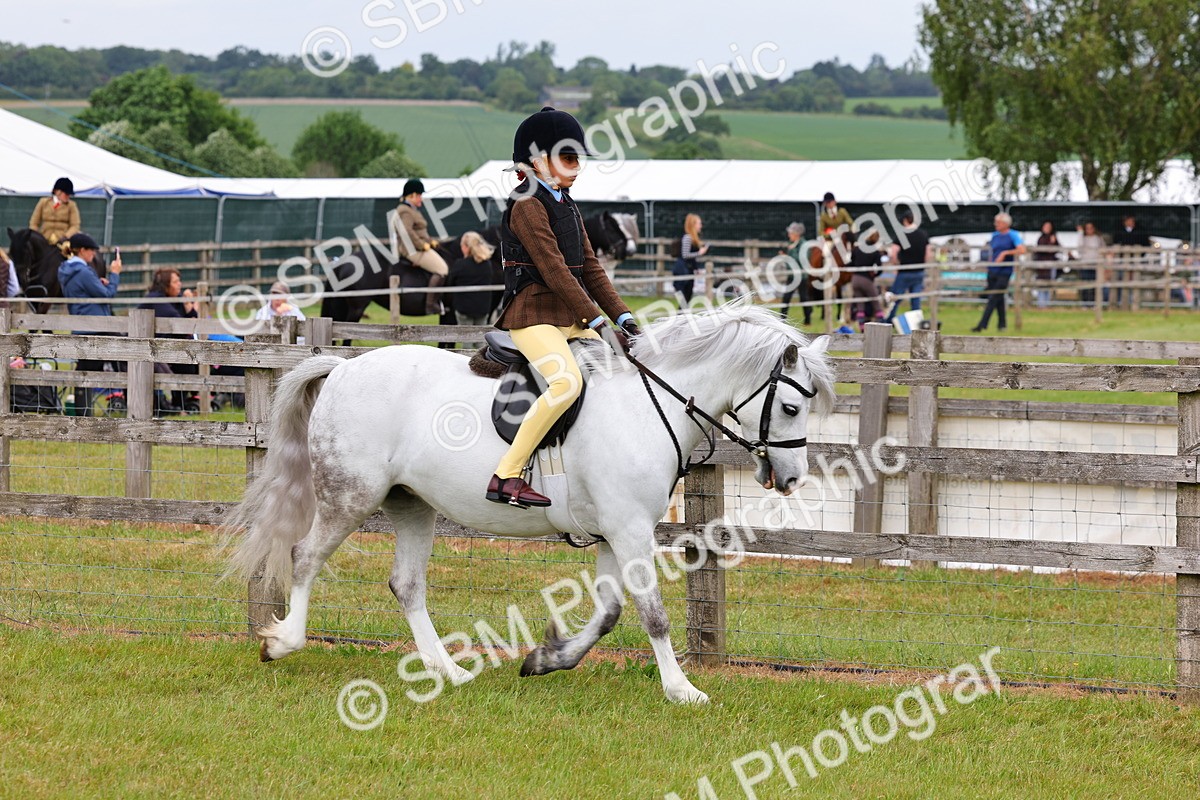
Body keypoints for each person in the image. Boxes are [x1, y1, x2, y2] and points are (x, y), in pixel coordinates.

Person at [488, 106, 638, 508]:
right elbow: (555, 271)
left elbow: (590, 267)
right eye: (568, 158)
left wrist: (625, 318)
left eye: (577, 159)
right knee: (567, 382)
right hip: (532, 316)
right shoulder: (527, 206)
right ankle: (507, 474)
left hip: (568, 319)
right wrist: (595, 320)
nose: (577, 167)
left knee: (621, 370)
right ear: (537, 161)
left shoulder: (567, 204)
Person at [58, 232, 122, 416]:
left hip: (80, 324)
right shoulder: (84, 271)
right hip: (96, 326)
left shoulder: (65, 270)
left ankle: (83, 413)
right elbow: (107, 295)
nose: (94, 254)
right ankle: (132, 401)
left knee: (86, 369)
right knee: (127, 356)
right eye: (91, 250)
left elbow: (87, 292)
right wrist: (115, 275)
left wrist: (99, 284)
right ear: (82, 250)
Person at [139, 268, 199, 414]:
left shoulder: (172, 298)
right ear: (166, 284)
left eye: (179, 280)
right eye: (176, 281)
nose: (180, 284)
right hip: (146, 350)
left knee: (188, 357)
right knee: (185, 360)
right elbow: (183, 324)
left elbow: (192, 319)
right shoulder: (156, 299)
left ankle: (182, 403)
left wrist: (187, 304)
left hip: (163, 347)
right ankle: (178, 406)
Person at [390, 178, 448, 315]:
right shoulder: (405, 211)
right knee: (442, 269)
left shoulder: (412, 209)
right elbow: (407, 232)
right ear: (413, 195)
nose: (421, 198)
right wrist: (423, 245)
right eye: (420, 195)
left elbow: (420, 231)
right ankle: (431, 304)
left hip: (418, 246)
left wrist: (430, 241)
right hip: (412, 250)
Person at [972, 213, 1025, 332]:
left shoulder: (1013, 235)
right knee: (998, 297)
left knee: (993, 297)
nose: (996, 224)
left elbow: (1022, 250)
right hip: (993, 270)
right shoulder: (995, 236)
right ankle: (1002, 325)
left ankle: (982, 325)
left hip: (1004, 271)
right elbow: (992, 251)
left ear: (1006, 224)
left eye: (998, 222)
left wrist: (1005, 253)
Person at [447, 232, 499, 346]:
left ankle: (467, 364)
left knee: (467, 342)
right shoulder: (487, 265)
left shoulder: (460, 264)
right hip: (483, 308)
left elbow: (450, 282)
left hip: (464, 309)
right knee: (481, 342)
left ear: (466, 248)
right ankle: (482, 363)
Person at [885, 209, 931, 322]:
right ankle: (917, 324)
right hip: (919, 271)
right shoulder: (923, 234)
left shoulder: (901, 235)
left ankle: (888, 321)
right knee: (916, 300)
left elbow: (893, 253)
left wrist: (896, 264)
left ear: (905, 221)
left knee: (895, 298)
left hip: (904, 271)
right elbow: (928, 254)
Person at [1111, 215, 1151, 308]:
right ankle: (1121, 301)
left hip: (1136, 260)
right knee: (1120, 280)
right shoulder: (1119, 231)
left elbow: (1145, 245)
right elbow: (1115, 243)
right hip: (1122, 260)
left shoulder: (1140, 232)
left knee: (1134, 280)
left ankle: (1134, 302)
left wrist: (1140, 255)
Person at [29, 177, 82, 246]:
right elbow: (34, 222)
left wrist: (66, 236)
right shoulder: (43, 202)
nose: (68, 196)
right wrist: (36, 236)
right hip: (44, 238)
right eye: (66, 194)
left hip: (63, 240)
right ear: (57, 191)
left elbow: (75, 225)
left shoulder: (71, 205)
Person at [778, 222, 813, 323]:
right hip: (792, 275)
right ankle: (782, 319)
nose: (789, 235)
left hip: (801, 276)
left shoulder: (804, 245)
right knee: (786, 297)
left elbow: (801, 260)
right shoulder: (791, 244)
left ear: (797, 234)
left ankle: (808, 320)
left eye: (791, 233)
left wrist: (789, 254)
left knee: (804, 298)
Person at [848, 232, 885, 325]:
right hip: (866, 280)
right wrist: (874, 275)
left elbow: (851, 263)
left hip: (855, 279)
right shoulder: (875, 251)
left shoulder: (856, 249)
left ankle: (861, 328)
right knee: (876, 302)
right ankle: (882, 324)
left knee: (860, 306)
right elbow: (880, 268)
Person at [672, 214, 709, 304]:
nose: (701, 226)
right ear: (693, 225)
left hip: (688, 270)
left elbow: (691, 259)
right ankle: (679, 317)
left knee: (687, 298)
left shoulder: (693, 238)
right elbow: (685, 255)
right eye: (699, 224)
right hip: (682, 271)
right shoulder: (687, 238)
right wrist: (700, 253)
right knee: (684, 300)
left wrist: (696, 268)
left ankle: (681, 317)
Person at [1075, 221, 1106, 304]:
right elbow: (1079, 247)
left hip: (1096, 264)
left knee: (1095, 285)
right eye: (1087, 228)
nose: (1089, 230)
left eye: (1091, 228)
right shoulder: (1083, 238)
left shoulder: (1098, 238)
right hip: (1085, 264)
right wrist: (1080, 233)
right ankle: (1085, 303)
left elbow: (1103, 249)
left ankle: (1094, 303)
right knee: (1085, 284)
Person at [1032, 221, 1060, 309]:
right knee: (1041, 284)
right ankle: (1041, 304)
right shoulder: (1040, 238)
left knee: (1049, 284)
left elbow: (1055, 250)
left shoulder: (1054, 238)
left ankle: (1047, 304)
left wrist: (1053, 242)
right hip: (1041, 266)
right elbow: (1040, 251)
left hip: (1051, 264)